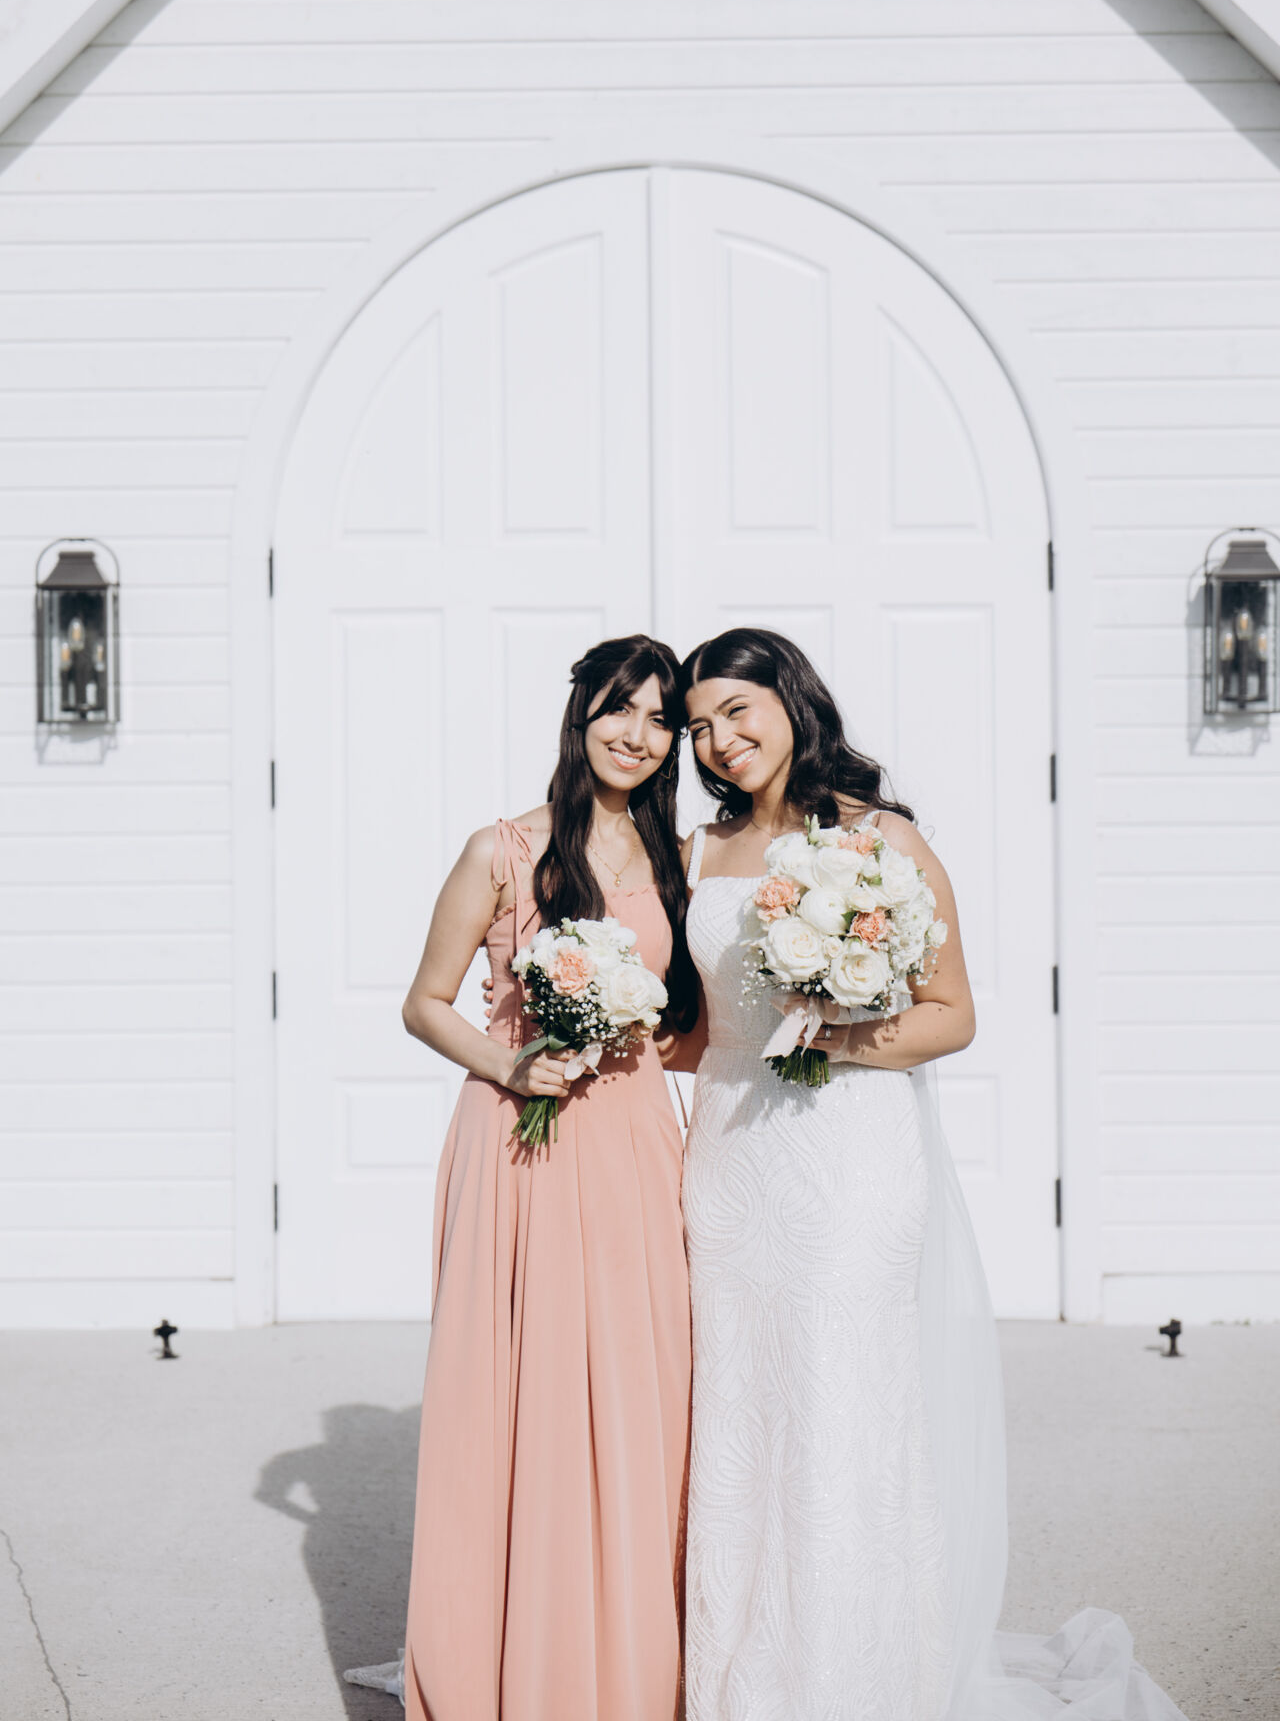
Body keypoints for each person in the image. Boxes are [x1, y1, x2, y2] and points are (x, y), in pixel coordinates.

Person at [678, 626, 1189, 1721]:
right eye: (699, 726)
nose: (718, 741)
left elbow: (950, 1015)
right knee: (735, 1400)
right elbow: (699, 1026)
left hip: (850, 1155)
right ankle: (735, 1664)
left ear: (789, 699)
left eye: (735, 711)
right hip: (728, 1157)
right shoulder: (696, 853)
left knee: (839, 1401)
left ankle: (850, 1676)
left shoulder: (879, 839)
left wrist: (831, 1034)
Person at [390, 633, 700, 1721]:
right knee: (518, 1391)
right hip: (520, 1137)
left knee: (640, 1387)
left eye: (660, 719)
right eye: (620, 708)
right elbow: (425, 1003)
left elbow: (687, 1027)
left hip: (630, 1141)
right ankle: (505, 1664)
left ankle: (623, 1662)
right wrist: (510, 1062)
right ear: (582, 716)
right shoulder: (502, 849)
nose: (638, 735)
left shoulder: (677, 861)